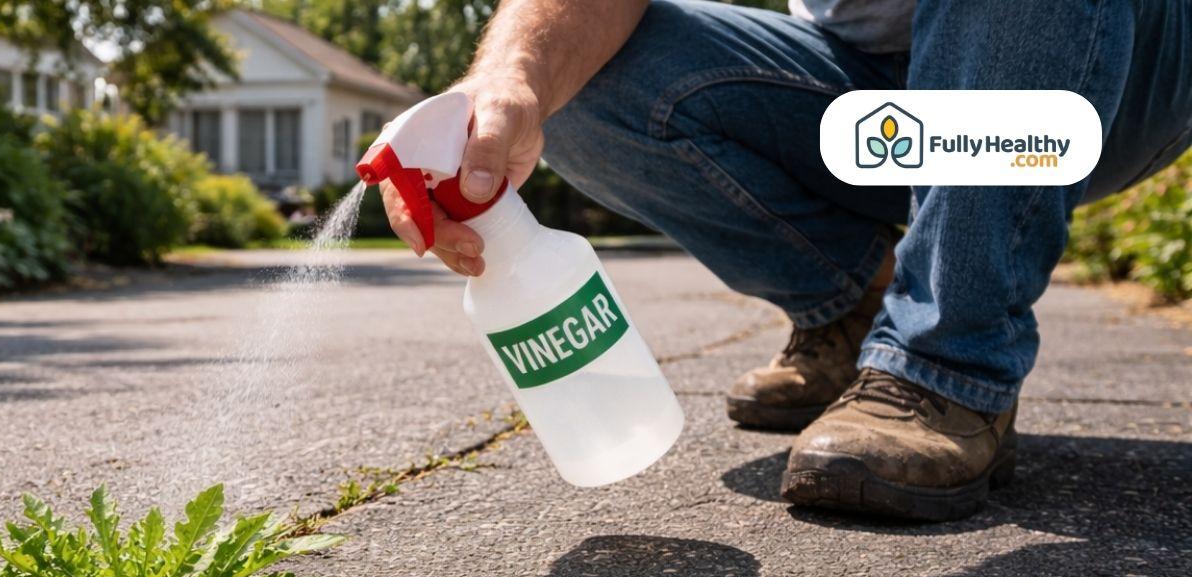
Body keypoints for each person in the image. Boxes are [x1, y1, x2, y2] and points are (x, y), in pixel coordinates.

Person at [377, 0, 1192, 521]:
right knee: (576, 82)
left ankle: (949, 363)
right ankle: (858, 305)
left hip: (1098, 45)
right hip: (877, 97)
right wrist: (507, 81)